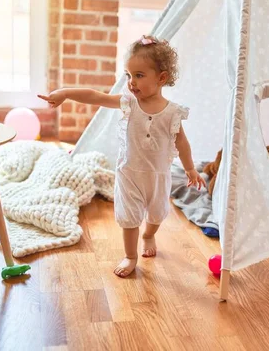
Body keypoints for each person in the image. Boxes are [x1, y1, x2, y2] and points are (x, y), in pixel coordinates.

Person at [38, 35, 206, 278]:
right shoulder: (129, 103)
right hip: (129, 174)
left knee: (157, 214)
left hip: (158, 176)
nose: (131, 82)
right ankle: (130, 255)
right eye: (128, 75)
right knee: (129, 219)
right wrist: (65, 93)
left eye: (138, 75)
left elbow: (182, 142)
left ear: (161, 78)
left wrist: (190, 169)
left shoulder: (173, 113)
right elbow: (95, 96)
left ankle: (149, 235)